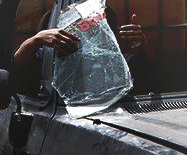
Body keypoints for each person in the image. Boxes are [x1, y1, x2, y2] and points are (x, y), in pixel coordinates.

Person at [13, 6, 157, 95]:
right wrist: (36, 40)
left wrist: (144, 45)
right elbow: (18, 63)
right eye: (84, 29)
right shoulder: (54, 58)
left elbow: (153, 71)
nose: (90, 37)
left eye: (98, 31)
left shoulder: (115, 59)